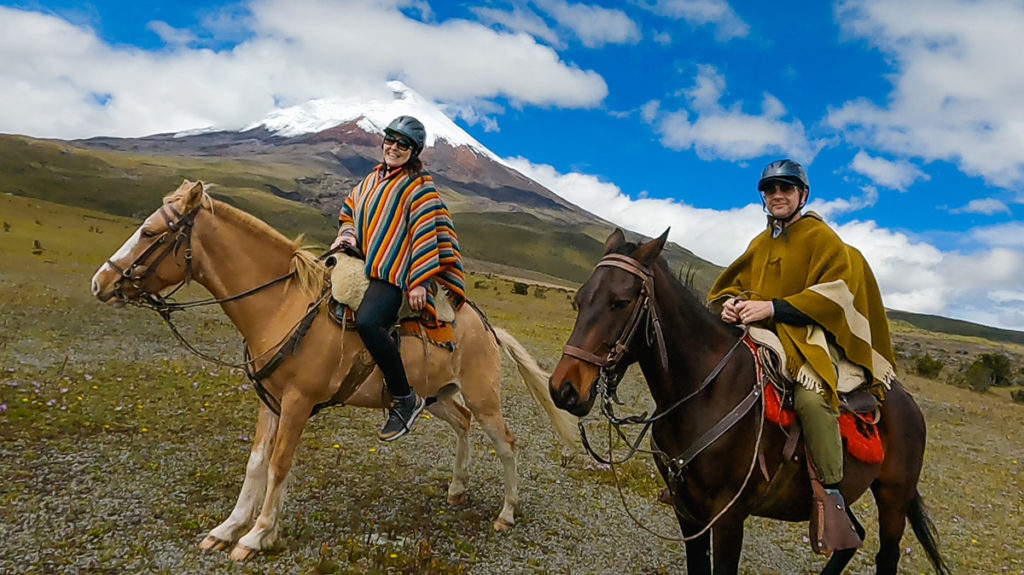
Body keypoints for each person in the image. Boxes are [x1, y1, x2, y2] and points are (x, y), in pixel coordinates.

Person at [707, 159, 897, 550]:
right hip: (762, 334)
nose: (777, 195)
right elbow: (734, 285)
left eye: (786, 188)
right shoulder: (761, 243)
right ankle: (699, 479)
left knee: (811, 398)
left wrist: (773, 308)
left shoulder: (821, 237)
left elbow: (837, 295)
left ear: (802, 195)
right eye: (770, 189)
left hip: (813, 338)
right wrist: (730, 304)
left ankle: (831, 495)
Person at [331, 115, 465, 441]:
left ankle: (404, 397)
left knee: (368, 321)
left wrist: (418, 280)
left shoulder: (420, 187)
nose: (393, 147)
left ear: (414, 151)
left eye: (403, 144)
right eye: (390, 140)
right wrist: (347, 235)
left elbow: (424, 233)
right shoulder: (370, 180)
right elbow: (349, 212)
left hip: (396, 274)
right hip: (365, 264)